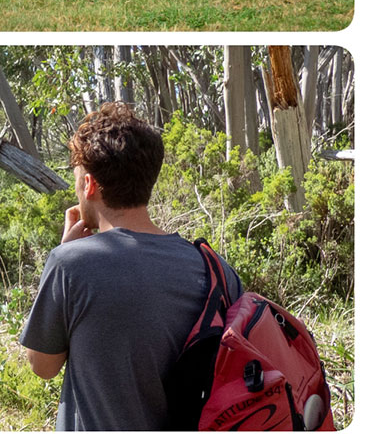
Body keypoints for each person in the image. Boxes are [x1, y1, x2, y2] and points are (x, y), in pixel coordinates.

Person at [20, 102, 243, 431]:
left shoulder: (70, 264)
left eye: (77, 181)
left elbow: (43, 365)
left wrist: (66, 253)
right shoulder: (215, 268)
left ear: (89, 185)